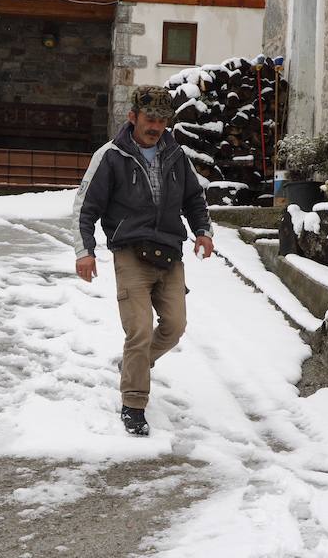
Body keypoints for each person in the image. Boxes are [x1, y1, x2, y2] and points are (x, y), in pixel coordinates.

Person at [72, 85, 214, 436]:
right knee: (137, 330)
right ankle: (134, 403)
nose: (156, 127)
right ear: (132, 116)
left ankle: (134, 366)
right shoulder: (110, 155)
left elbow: (194, 199)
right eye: (150, 119)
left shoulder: (176, 155)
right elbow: (85, 207)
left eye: (163, 121)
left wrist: (203, 231)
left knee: (175, 327)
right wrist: (85, 251)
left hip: (170, 254)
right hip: (130, 254)